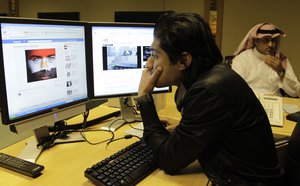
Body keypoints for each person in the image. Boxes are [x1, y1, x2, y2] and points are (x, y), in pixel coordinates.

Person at [135, 12, 284, 185]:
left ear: (184, 61)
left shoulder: (210, 89)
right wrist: (186, 129)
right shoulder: (211, 75)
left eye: (155, 54)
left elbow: (169, 160)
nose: (149, 64)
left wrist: (144, 96)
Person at [231, 23, 300, 97]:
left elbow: (295, 92)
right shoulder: (242, 59)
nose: (270, 44)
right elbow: (236, 90)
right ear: (256, 41)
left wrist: (281, 72)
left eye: (273, 40)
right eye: (265, 40)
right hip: (250, 102)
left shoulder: (281, 60)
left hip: (276, 104)